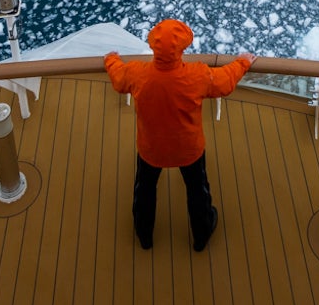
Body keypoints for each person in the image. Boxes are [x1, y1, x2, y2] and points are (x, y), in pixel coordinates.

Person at [103, 20, 252, 251]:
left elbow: (119, 78)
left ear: (152, 46)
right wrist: (243, 62)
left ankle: (144, 235)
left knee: (144, 190)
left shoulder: (137, 73)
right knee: (197, 191)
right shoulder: (197, 76)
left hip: (151, 148)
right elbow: (224, 81)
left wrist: (110, 59)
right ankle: (201, 235)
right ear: (182, 48)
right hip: (188, 149)